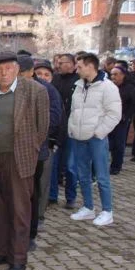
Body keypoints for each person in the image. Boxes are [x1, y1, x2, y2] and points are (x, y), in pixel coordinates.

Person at [0, 52, 49, 270]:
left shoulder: (35, 91)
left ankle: (18, 259)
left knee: (20, 210)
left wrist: (30, 149)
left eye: (8, 69)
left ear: (17, 69)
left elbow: (42, 127)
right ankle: (2, 251)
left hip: (19, 158)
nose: (3, 73)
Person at [68, 53, 121, 227]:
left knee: (101, 175)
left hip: (96, 139)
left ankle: (107, 211)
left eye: (80, 66)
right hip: (78, 137)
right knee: (82, 174)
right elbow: (74, 110)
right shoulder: (78, 86)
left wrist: (99, 133)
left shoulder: (108, 87)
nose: (77, 69)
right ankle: (88, 207)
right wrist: (73, 129)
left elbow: (114, 114)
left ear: (91, 67)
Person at [26, 58, 62, 250]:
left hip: (41, 146)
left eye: (45, 73)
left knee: (39, 186)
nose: (41, 76)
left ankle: (38, 218)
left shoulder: (47, 90)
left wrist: (37, 135)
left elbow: (54, 117)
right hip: (19, 150)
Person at [51, 53, 79, 208]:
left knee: (70, 166)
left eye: (62, 62)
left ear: (72, 64)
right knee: (53, 164)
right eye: (58, 62)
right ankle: (52, 195)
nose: (59, 65)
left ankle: (71, 197)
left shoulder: (78, 82)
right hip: (56, 128)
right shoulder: (55, 79)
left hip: (71, 129)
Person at [108, 66, 135, 174]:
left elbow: (134, 104)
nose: (113, 77)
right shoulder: (109, 86)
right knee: (108, 143)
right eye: (112, 74)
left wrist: (126, 116)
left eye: (116, 74)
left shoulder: (129, 88)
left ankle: (116, 166)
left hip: (121, 121)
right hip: (108, 119)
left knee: (118, 144)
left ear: (123, 75)